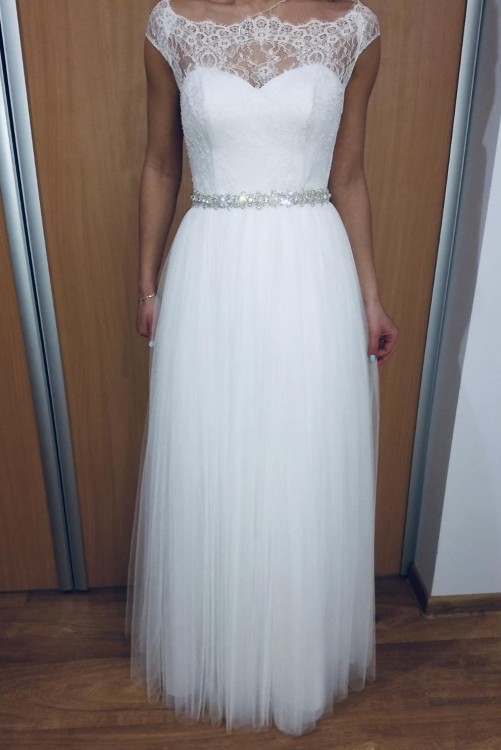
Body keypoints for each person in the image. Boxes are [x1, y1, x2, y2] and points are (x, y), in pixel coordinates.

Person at [127, 0, 398, 737]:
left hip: (311, 269)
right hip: (210, 268)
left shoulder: (354, 29)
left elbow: (349, 177)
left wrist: (370, 297)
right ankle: (213, 653)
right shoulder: (171, 26)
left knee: (298, 469)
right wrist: (147, 286)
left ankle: (293, 665)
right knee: (213, 464)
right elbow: (160, 164)